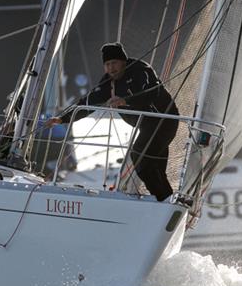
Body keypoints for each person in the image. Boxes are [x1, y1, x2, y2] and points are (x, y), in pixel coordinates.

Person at [48, 43, 180, 201]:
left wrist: (125, 101)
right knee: (153, 166)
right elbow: (87, 102)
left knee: (139, 155)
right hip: (147, 127)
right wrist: (62, 118)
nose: (111, 68)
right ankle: (168, 200)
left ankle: (162, 199)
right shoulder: (108, 83)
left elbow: (151, 92)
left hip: (164, 121)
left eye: (114, 63)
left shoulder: (141, 69)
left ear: (124, 62)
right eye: (107, 64)